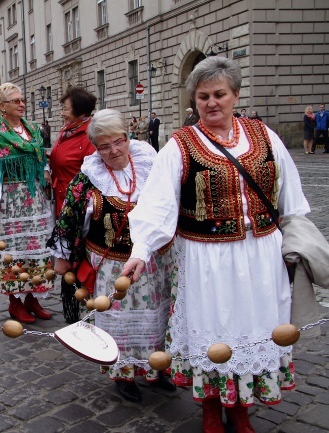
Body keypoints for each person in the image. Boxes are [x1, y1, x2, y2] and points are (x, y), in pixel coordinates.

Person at [122, 56, 309, 433]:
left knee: (256, 326)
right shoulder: (181, 145)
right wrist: (140, 250)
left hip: (261, 255)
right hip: (206, 257)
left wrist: (298, 239)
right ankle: (211, 407)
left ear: (235, 95)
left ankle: (241, 410)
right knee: (213, 329)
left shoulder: (264, 136)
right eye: (203, 96)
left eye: (219, 94)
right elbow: (157, 204)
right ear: (195, 100)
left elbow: (291, 193)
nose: (211, 103)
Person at [48, 109, 175, 402]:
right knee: (118, 319)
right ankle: (124, 373)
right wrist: (63, 256)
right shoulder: (88, 178)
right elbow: (69, 218)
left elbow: (169, 205)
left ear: (128, 138)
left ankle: (156, 369)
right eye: (104, 146)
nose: (113, 150)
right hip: (111, 265)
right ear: (96, 147)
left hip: (153, 263)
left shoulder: (150, 164)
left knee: (156, 318)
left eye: (118, 141)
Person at [0, 82, 55, 324]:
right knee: (14, 250)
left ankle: (32, 297)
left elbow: (38, 155)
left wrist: (46, 169)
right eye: (15, 101)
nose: (21, 104)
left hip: (35, 199)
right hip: (10, 201)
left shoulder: (31, 129)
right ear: (2, 106)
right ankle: (15, 302)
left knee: (36, 248)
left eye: (22, 100)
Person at [46, 86, 97, 323]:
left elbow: (94, 172)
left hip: (80, 208)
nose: (62, 113)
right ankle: (72, 309)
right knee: (67, 257)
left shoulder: (89, 135)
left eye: (65, 108)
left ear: (78, 110)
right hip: (61, 201)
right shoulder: (67, 131)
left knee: (78, 256)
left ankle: (87, 308)